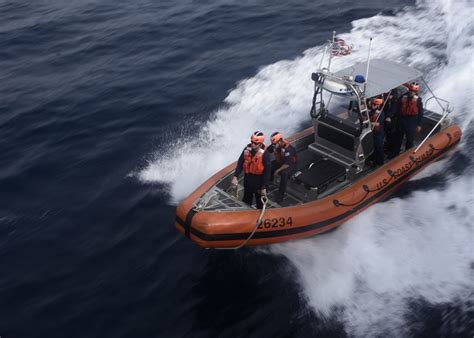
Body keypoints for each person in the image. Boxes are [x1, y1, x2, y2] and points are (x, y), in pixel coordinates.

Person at [231, 131, 271, 209]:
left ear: (260, 144)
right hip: (248, 178)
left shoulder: (265, 154)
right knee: (246, 198)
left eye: (255, 143)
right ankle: (244, 214)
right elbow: (240, 162)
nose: (253, 144)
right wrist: (235, 177)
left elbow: (267, 172)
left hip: (258, 180)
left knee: (259, 202)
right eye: (252, 142)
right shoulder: (247, 149)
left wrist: (264, 187)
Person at [392, 82, 424, 156]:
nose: (412, 92)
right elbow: (397, 106)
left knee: (410, 139)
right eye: (410, 90)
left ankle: (407, 155)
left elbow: (420, 113)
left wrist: (419, 124)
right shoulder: (403, 97)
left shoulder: (418, 100)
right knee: (398, 137)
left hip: (412, 120)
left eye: (414, 91)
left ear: (416, 92)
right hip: (402, 119)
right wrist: (390, 115)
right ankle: (395, 153)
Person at [266, 132, 297, 203]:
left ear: (280, 141)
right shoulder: (275, 145)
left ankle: (280, 195)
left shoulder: (289, 150)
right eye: (273, 144)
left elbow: (287, 164)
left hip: (290, 165)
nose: (273, 145)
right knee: (269, 166)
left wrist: (277, 171)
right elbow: (267, 151)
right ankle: (269, 183)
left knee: (284, 174)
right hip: (281, 162)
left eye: (274, 144)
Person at [368, 97, 385, 166]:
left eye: (374, 104)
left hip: (378, 133)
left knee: (379, 147)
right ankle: (374, 161)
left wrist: (369, 123)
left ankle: (381, 162)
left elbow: (378, 123)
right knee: (372, 147)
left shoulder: (381, 113)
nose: (373, 105)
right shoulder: (369, 111)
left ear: (378, 106)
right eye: (372, 104)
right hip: (371, 132)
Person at [382, 88, 399, 155]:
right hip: (386, 117)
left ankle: (391, 149)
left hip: (393, 119)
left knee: (391, 134)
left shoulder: (395, 100)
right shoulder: (385, 99)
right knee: (387, 133)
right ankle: (387, 146)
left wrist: (389, 116)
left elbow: (394, 109)